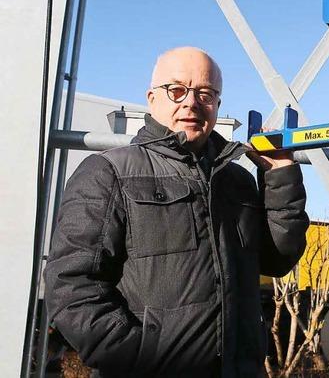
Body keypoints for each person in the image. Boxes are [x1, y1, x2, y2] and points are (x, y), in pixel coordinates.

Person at [44, 46, 310, 377]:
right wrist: (138, 358)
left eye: (205, 93)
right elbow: (71, 284)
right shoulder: (109, 172)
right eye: (177, 90)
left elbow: (278, 260)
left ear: (217, 105)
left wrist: (280, 176)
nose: (192, 103)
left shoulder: (237, 180)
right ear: (152, 99)